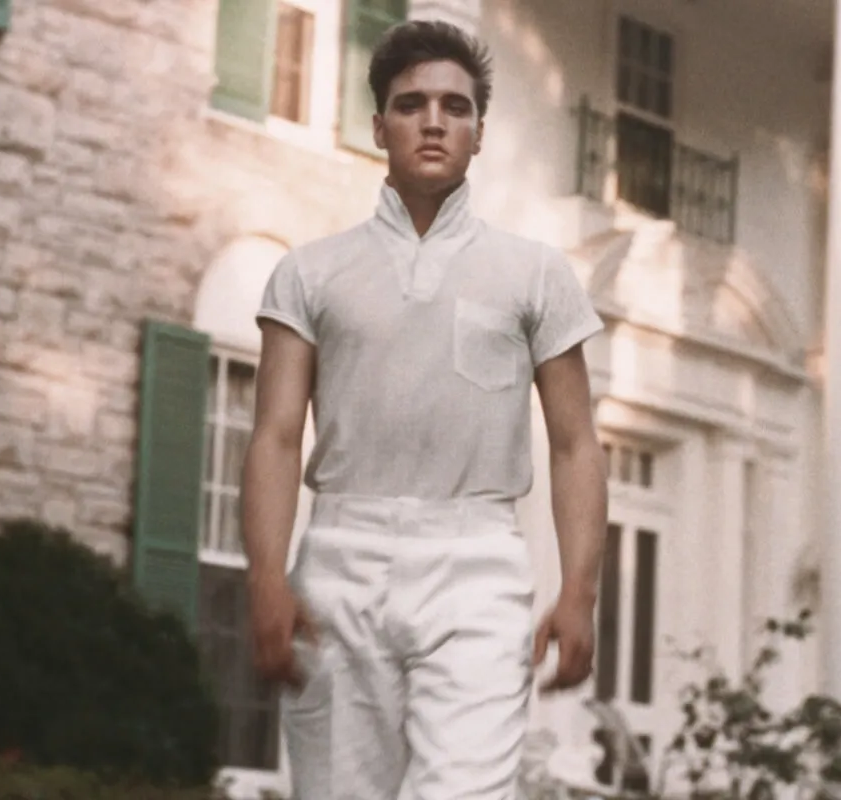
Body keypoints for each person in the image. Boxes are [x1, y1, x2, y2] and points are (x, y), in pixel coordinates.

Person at [239, 19, 609, 800]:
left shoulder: (534, 274)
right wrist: (266, 576)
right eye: (410, 105)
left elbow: (575, 444)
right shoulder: (309, 273)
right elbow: (273, 437)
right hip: (340, 557)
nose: (434, 121)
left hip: (476, 565)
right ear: (379, 126)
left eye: (456, 106)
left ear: (479, 132)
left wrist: (578, 591)